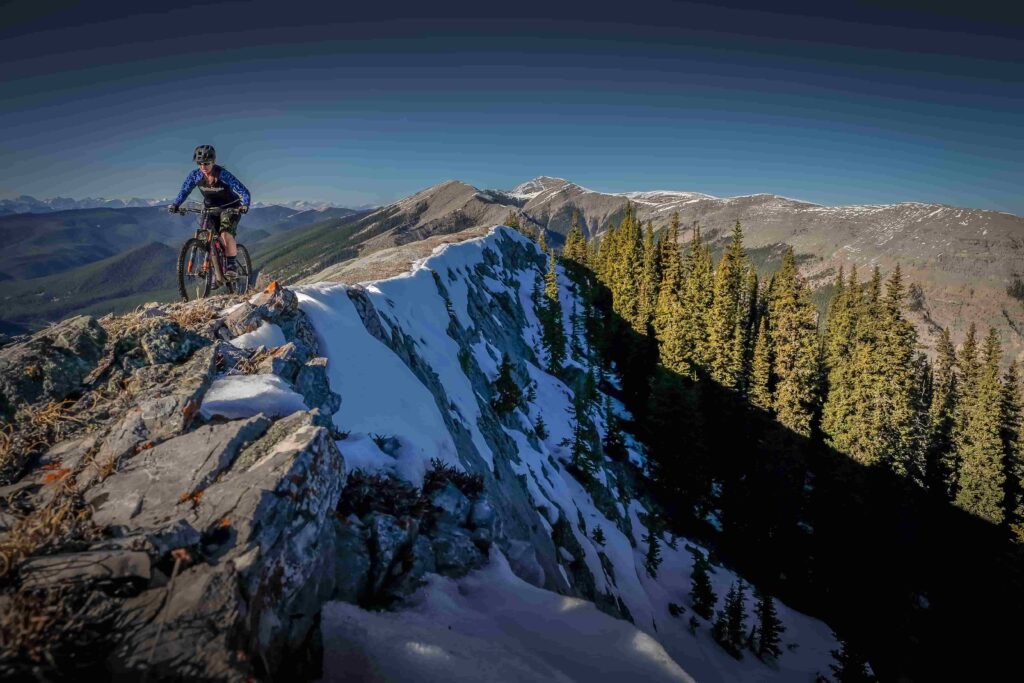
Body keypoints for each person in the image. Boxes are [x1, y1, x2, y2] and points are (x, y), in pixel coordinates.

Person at [168, 144, 251, 277]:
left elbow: (243, 191)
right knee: (205, 237)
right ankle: (211, 271)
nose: (203, 167)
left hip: (230, 208)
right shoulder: (195, 176)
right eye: (199, 163)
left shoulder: (222, 174)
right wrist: (176, 204)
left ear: (213, 162)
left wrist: (245, 204)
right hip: (209, 209)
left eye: (206, 163)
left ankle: (231, 265)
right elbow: (185, 191)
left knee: (225, 234)